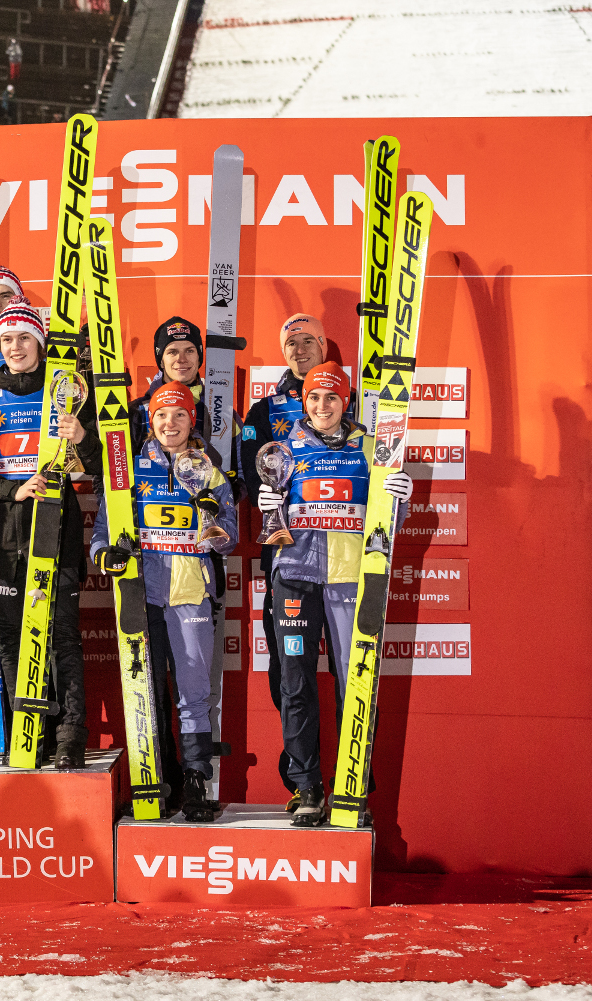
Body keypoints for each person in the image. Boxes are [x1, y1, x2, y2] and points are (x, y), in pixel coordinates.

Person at [255, 361, 410, 827]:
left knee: (355, 682)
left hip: (350, 579)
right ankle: (306, 787)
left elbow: (386, 525)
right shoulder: (283, 450)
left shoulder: (371, 449)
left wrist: (396, 501)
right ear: (304, 402)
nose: (323, 407)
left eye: (332, 398)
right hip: (295, 578)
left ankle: (351, 784)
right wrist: (268, 509)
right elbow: (268, 526)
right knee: (296, 683)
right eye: (315, 398)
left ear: (346, 402)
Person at [0, 299, 99, 768]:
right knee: (13, 638)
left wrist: (81, 439)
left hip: (56, 525)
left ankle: (70, 734)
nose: (15, 347)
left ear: (40, 344)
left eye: (24, 338)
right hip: (0, 533)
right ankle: (27, 733)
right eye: (7, 339)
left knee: (62, 636)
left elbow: (104, 466)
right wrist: (12, 489)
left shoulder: (69, 395)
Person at [91, 380, 237, 820]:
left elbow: (228, 544)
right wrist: (107, 554)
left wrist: (214, 521)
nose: (169, 423)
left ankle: (195, 779)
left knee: (194, 693)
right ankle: (150, 776)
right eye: (161, 415)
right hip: (143, 593)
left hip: (191, 593)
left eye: (179, 414)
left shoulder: (210, 470)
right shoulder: (128, 470)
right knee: (145, 691)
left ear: (192, 420)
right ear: (149, 421)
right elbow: (101, 531)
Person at [238, 312, 338, 807]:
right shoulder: (265, 410)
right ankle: (303, 779)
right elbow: (246, 472)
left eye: (307, 341)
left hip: (342, 564)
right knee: (289, 675)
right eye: (290, 343)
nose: (299, 350)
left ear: (324, 344)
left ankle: (351, 777)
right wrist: (265, 498)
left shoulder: (352, 403)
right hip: (287, 561)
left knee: (348, 675)